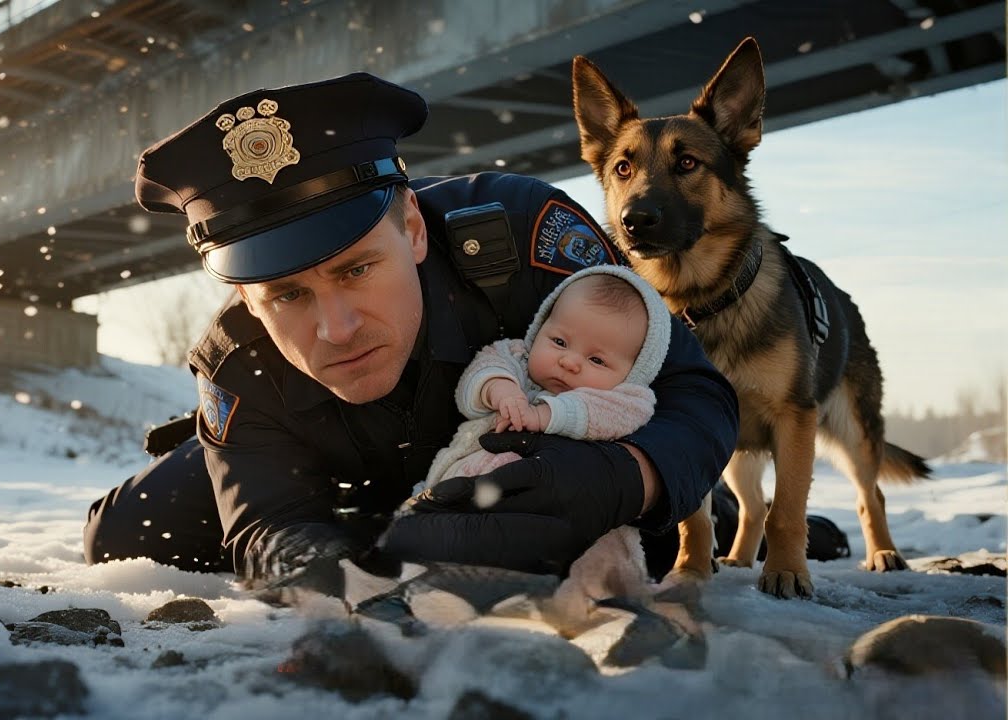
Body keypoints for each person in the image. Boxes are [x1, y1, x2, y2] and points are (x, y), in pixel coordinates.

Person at [81, 72, 739, 590]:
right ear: (248, 301)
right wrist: (347, 570)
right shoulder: (237, 362)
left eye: (359, 269)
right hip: (330, 476)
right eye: (285, 294)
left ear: (415, 229)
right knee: (126, 536)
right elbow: (271, 533)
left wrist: (633, 475)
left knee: (647, 522)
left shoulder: (522, 239)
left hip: (526, 444)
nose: (336, 330)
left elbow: (693, 389)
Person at [414, 265, 669, 493]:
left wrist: (544, 416)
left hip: (548, 512)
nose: (569, 362)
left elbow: (612, 417)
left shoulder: (627, 402)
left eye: (597, 360)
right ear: (539, 328)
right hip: (457, 483)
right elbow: (482, 371)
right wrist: (501, 390)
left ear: (634, 373)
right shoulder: (516, 357)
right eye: (559, 342)